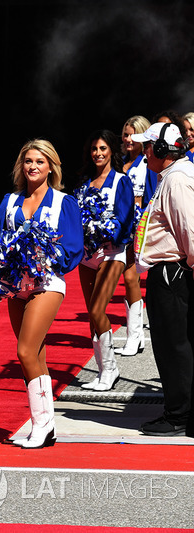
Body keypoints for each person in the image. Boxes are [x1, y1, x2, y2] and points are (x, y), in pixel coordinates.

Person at [0, 139, 83, 449]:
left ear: (51, 166)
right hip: (17, 287)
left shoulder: (63, 202)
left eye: (40, 161)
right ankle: (45, 424)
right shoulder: (10, 201)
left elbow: (73, 247)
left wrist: (43, 258)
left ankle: (41, 424)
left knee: (25, 352)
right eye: (28, 161)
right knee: (36, 354)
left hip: (47, 284)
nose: (33, 166)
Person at [131, 122, 194, 437]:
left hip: (172, 273)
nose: (143, 152)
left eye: (147, 146)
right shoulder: (173, 177)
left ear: (160, 150)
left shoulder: (176, 181)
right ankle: (180, 410)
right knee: (174, 345)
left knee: (174, 347)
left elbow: (191, 233)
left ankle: (179, 414)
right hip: (171, 273)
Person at [76, 130, 134, 391]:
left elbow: (125, 218)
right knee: (92, 314)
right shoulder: (84, 182)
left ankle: (110, 370)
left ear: (112, 150)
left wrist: (104, 231)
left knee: (99, 310)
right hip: (88, 256)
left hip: (112, 252)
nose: (98, 153)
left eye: (102, 148)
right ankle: (103, 371)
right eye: (94, 149)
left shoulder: (121, 181)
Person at [117, 115, 153, 356]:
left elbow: (152, 195)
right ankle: (134, 336)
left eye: (133, 135)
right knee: (125, 279)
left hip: (138, 227)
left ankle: (135, 336)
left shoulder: (148, 163)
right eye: (126, 134)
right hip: (119, 227)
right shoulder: (119, 162)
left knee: (131, 279)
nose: (129, 139)